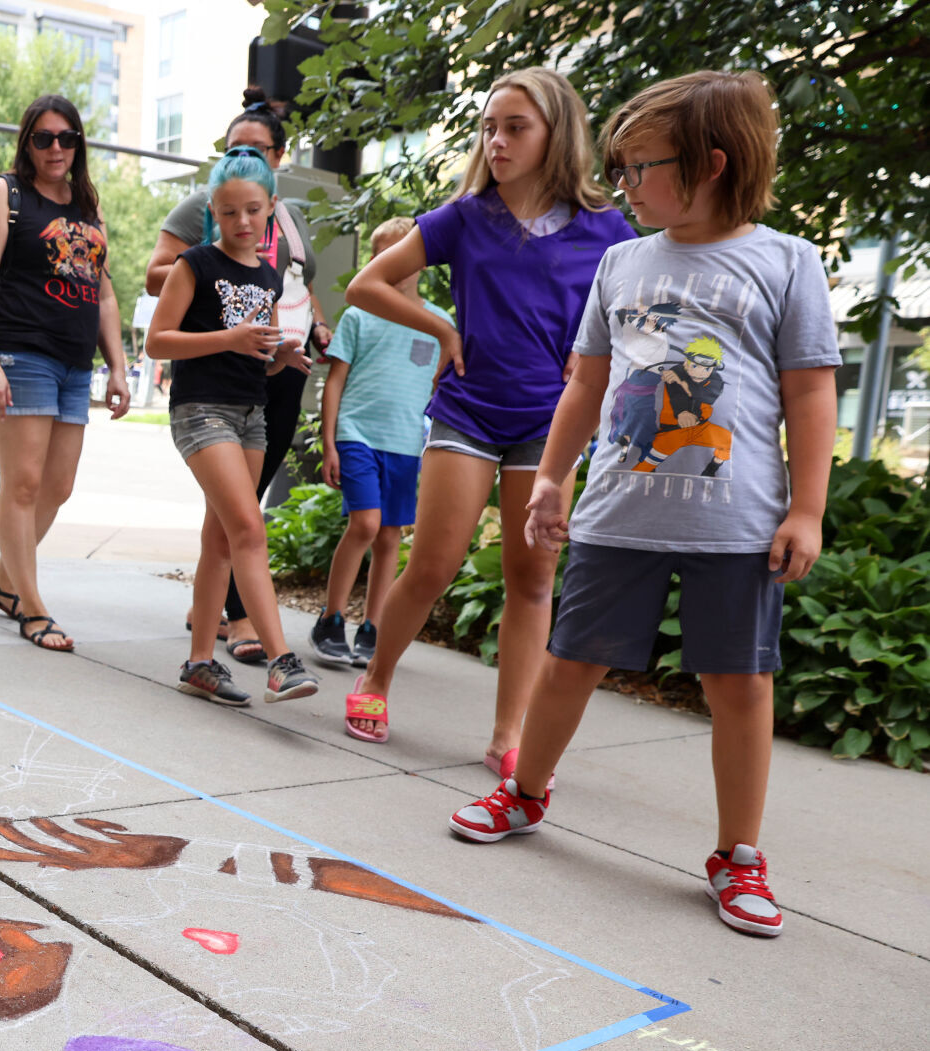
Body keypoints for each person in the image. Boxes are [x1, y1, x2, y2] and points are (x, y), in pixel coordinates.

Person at [449, 72, 838, 938]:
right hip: (616, 513)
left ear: (709, 164)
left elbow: (810, 394)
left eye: (638, 168)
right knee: (570, 659)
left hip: (733, 525)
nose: (623, 186)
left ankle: (738, 857)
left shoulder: (785, 261)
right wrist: (551, 477)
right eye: (620, 168)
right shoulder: (622, 261)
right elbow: (585, 381)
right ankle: (522, 791)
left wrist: (804, 509)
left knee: (739, 684)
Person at [341, 67, 636, 764]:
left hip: (550, 423)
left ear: (555, 134)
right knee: (433, 564)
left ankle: (509, 735)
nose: (495, 141)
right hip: (467, 412)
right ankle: (375, 677)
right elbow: (365, 284)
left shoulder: (607, 231)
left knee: (531, 579)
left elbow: (634, 321)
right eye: (488, 127)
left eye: (513, 127)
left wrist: (596, 357)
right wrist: (442, 331)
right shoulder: (465, 216)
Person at [145, 88, 333, 664]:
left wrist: (284, 356)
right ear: (214, 211)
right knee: (250, 527)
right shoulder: (195, 261)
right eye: (228, 213)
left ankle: (200, 663)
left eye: (253, 210)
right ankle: (280, 658)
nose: (242, 221)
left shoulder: (273, 272)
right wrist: (230, 338)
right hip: (204, 408)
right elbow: (157, 340)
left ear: (272, 203)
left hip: (255, 407)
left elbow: (264, 344)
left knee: (221, 538)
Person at [0, 94, 130, 651]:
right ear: (27, 143)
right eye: (43, 138)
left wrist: (119, 367)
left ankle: (2, 581)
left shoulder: (88, 206)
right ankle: (31, 607)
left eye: (66, 138)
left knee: (58, 487)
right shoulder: (4, 194)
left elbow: (103, 292)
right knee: (24, 483)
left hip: (73, 363)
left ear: (78, 143)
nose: (55, 148)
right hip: (21, 353)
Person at [309, 217, 452, 669]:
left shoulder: (440, 323)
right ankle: (331, 618)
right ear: (375, 261)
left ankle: (372, 626)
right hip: (357, 434)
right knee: (366, 525)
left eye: (404, 256)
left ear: (421, 261)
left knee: (390, 535)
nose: (396, 267)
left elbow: (439, 386)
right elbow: (335, 383)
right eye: (385, 257)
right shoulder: (359, 315)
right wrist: (329, 442)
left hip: (407, 442)